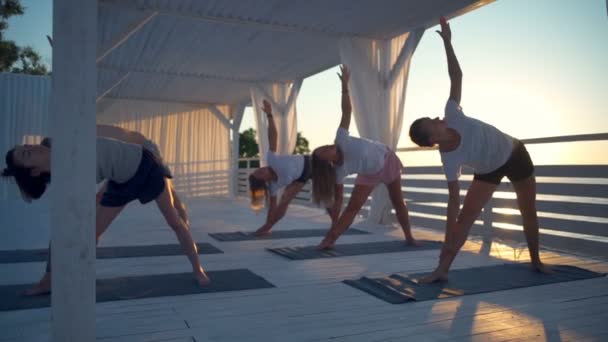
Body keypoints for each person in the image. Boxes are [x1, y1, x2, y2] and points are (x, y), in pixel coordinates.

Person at [408, 17, 550, 283]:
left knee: (527, 210)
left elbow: (456, 76)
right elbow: (453, 201)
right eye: (433, 124)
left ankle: (536, 261)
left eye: (433, 118)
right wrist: (450, 232)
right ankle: (441, 270)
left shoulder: (452, 113)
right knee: (464, 220)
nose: (438, 120)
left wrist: (448, 44)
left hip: (515, 153)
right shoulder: (449, 159)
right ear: (432, 142)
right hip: (489, 170)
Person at [2, 131, 210, 296]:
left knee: (174, 221)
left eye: (26, 146)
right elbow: (68, 221)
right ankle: (49, 280)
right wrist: (57, 250)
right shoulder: (69, 178)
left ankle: (198, 269)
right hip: (119, 181)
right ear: (35, 172)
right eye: (26, 153)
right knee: (89, 232)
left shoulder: (57, 142)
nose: (30, 146)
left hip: (146, 166)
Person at [311, 65, 418, 250]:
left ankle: (409, 237)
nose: (327, 146)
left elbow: (346, 111)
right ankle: (329, 241)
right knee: (353, 208)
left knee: (398, 201)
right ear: (328, 161)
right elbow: (338, 201)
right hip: (369, 175)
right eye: (324, 150)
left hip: (388, 161)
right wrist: (333, 225)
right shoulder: (338, 172)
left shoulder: (341, 139)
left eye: (323, 146)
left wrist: (345, 86)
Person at [248, 100, 336, 235]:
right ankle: (267, 228)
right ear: (264, 181)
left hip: (311, 164)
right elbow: (272, 207)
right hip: (300, 178)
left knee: (325, 196)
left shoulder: (272, 160)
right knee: (284, 200)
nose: (263, 168)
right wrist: (268, 223)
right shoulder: (273, 186)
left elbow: (273, 137)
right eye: (260, 172)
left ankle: (336, 222)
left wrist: (269, 115)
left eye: (260, 169)